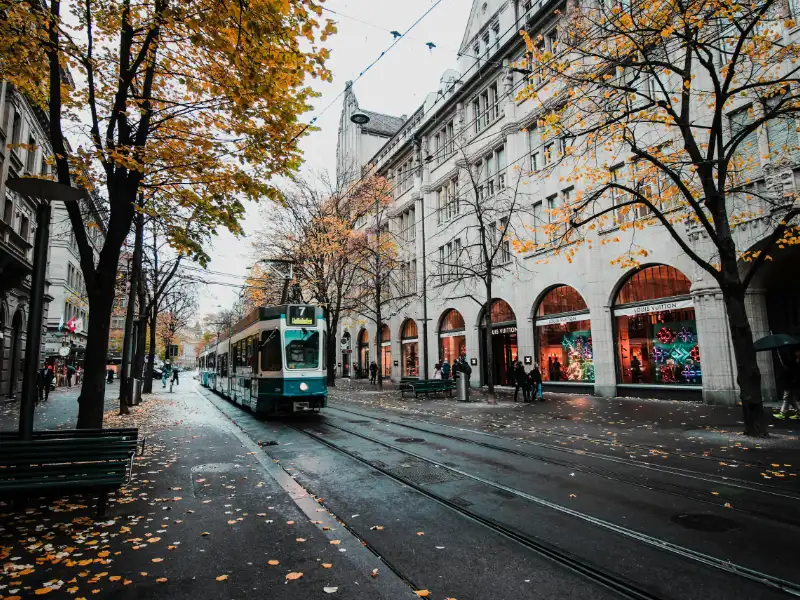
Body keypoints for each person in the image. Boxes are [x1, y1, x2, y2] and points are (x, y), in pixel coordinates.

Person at [776, 350, 800, 419]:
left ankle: (783, 412)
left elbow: (794, 371)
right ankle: (797, 412)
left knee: (787, 397)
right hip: (791, 382)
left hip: (791, 382)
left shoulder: (795, 362)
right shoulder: (794, 361)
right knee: (790, 398)